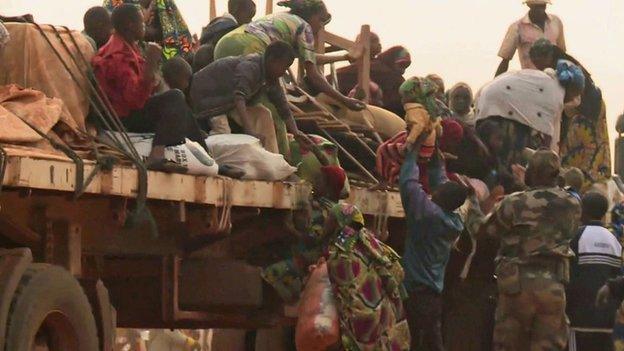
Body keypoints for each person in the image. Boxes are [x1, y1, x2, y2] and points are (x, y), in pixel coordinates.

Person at [214, 0, 366, 153]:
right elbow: (313, 75)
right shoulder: (304, 27)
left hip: (226, 43)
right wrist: (345, 100)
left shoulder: (281, 19)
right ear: (309, 15)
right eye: (320, 20)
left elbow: (309, 58)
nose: (321, 26)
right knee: (276, 111)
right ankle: (282, 160)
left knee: (237, 100)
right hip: (250, 47)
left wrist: (343, 57)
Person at [477, 150, 582, 350]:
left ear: (530, 173)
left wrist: (474, 206)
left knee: (510, 345)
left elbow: (486, 231)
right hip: (553, 285)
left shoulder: (514, 202)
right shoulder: (572, 204)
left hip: (516, 286)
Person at [92, 4, 207, 172]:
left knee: (180, 107)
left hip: (126, 112)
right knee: (175, 97)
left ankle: (208, 157)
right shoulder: (117, 54)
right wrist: (150, 66)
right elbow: (135, 101)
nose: (144, 26)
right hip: (120, 120)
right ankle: (157, 155)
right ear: (130, 25)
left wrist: (152, 79)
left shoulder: (129, 47)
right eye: (141, 22)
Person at [399, 132, 468, 351]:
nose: (434, 190)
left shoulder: (428, 215)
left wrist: (413, 153)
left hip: (416, 294)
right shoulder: (453, 219)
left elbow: (408, 185)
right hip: (432, 295)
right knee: (431, 342)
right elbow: (442, 182)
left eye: (437, 191)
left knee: (414, 342)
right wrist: (436, 157)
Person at [190, 41, 310, 155]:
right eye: (284, 67)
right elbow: (239, 97)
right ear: (272, 60)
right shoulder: (251, 66)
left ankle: (271, 158)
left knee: (264, 113)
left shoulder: (270, 77)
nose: (284, 72)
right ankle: (215, 162)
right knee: (222, 132)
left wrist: (296, 132)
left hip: (227, 104)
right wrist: (250, 131)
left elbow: (282, 107)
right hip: (206, 100)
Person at [326, 203, 411, 350]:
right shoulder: (373, 243)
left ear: (339, 222)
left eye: (331, 220)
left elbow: (343, 291)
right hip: (385, 311)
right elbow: (398, 273)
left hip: (362, 319)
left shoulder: (340, 253)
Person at [529, 38, 612, 185]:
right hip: (582, 110)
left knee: (581, 152)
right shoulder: (560, 64)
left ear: (547, 56)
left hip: (585, 112)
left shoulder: (562, 70)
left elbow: (571, 100)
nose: (535, 65)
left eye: (537, 60)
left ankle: (581, 185)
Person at [567, 192, 622, 351]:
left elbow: (568, 273)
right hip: (606, 320)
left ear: (582, 211)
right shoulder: (614, 241)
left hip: (578, 320)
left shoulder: (576, 237)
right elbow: (616, 277)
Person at [335, 45, 411, 116]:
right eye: (401, 65)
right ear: (391, 59)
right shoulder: (390, 76)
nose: (403, 71)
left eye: (406, 66)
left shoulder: (366, 65)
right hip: (359, 112)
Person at [103, 0, 193, 59]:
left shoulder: (164, 3)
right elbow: (111, 32)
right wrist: (144, 24)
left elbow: (178, 37)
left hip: (165, 61)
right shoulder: (114, 4)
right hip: (128, 56)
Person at [496, 0, 566, 76]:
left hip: (553, 78)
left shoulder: (556, 22)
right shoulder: (517, 27)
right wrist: (495, 84)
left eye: (542, 6)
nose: (540, 10)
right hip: (530, 79)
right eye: (536, 6)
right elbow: (505, 60)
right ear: (529, 5)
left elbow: (562, 53)